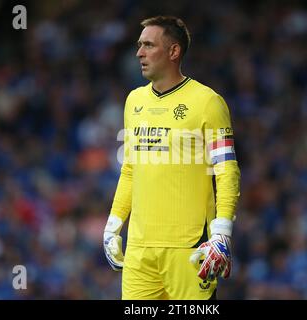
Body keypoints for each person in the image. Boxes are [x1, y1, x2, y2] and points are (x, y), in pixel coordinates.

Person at [103, 15, 240, 300]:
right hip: (140, 251)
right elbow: (130, 169)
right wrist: (114, 225)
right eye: (139, 45)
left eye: (149, 45)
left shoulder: (207, 102)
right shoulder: (134, 101)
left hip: (189, 247)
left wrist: (222, 231)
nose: (139, 53)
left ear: (173, 52)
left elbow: (226, 169)